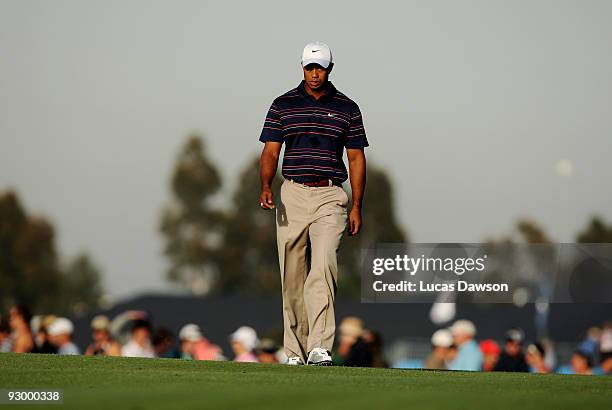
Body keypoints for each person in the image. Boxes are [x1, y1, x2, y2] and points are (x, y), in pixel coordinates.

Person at [258, 41, 369, 366]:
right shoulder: (283, 104)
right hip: (292, 193)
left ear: (330, 68)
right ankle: (294, 350)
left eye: (319, 67)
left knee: (323, 268)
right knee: (292, 275)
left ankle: (319, 345)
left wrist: (357, 205)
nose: (314, 73)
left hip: (330, 195)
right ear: (302, 67)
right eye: (309, 67)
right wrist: (265, 185)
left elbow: (356, 157)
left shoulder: (347, 107)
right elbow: (270, 151)